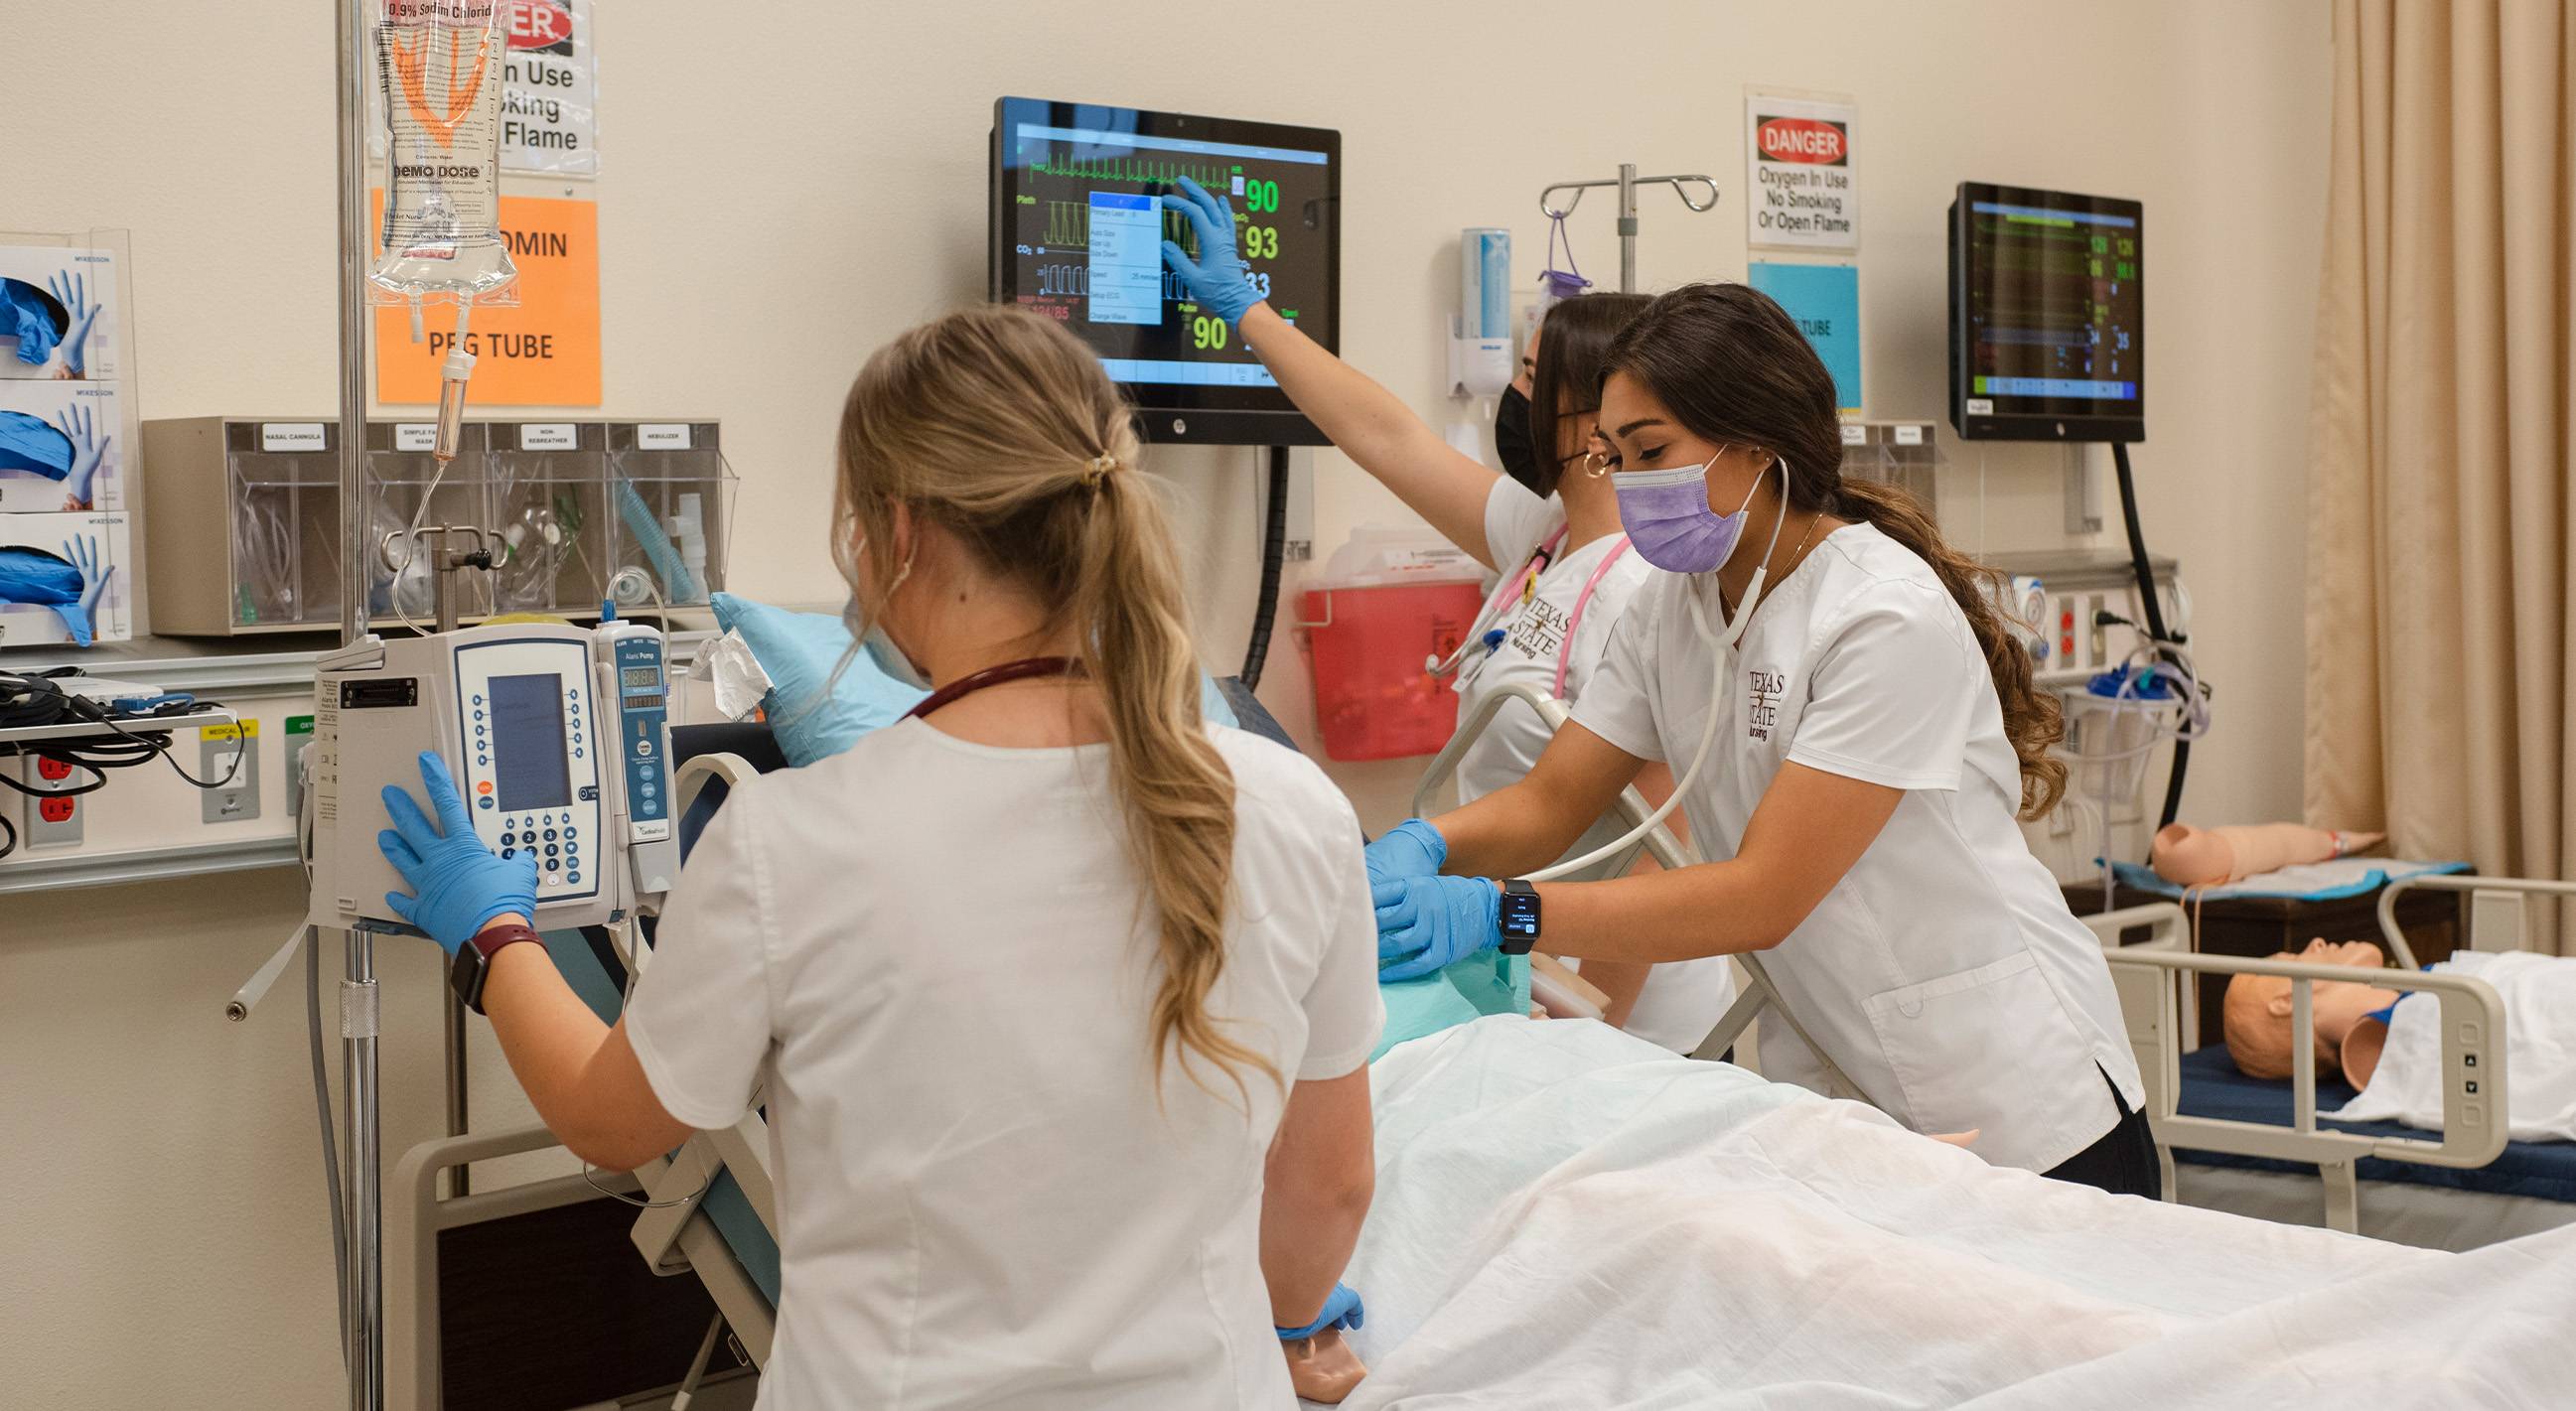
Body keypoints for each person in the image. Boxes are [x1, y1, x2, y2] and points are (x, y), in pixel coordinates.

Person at [374, 306, 1385, 1407]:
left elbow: (607, 1115)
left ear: (897, 531)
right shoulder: (1296, 809)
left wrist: (492, 930)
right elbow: (1327, 1188)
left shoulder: (791, 844)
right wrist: (1280, 1322)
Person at [1359, 282, 2158, 1196]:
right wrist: (1419, 846)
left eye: (1653, 450)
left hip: (2020, 1098)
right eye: (1613, 454)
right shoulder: (1672, 610)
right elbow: (1550, 800)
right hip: (1841, 1086)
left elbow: (1764, 893)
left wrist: (1502, 911)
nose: (1627, 482)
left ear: (1757, 441)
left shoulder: (1880, 615)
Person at [1158, 177, 1731, 1050]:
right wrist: (1250, 311)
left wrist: (1592, 1026)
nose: (1511, 397)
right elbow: (1386, 435)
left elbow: (1666, 832)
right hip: (1519, 958)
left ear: (1596, 424)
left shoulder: (1642, 587)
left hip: (1617, 1008)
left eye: (1530, 379)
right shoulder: (1543, 536)